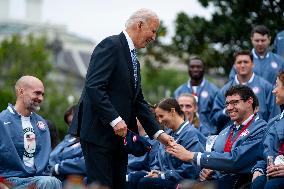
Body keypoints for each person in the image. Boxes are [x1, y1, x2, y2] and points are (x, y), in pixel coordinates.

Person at [68, 9, 173, 189]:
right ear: (140, 25)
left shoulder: (134, 60)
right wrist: (115, 120)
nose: (154, 37)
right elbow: (94, 86)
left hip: (119, 138)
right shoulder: (110, 45)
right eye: (153, 31)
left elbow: (138, 101)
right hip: (98, 135)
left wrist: (159, 134)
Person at [167, 85, 267, 189]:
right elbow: (215, 156)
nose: (229, 108)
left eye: (234, 102)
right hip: (219, 181)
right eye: (227, 104)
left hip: (241, 182)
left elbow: (235, 161)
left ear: (249, 102)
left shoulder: (261, 129)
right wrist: (211, 170)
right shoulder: (226, 131)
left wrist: (192, 156)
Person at [127, 98, 206, 189]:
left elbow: (191, 169)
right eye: (158, 117)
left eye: (161, 116)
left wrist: (163, 176)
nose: (160, 121)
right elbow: (158, 160)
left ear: (172, 111)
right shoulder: (167, 135)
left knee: (145, 182)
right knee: (135, 177)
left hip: (185, 182)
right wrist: (156, 171)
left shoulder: (190, 134)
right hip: (168, 178)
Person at [0, 75, 61, 189]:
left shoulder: (42, 124)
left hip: (39, 179)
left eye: (42, 94)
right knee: (49, 182)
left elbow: (46, 162)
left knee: (54, 181)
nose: (41, 98)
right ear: (21, 92)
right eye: (37, 93)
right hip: (9, 181)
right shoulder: (2, 121)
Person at [212, 50, 280, 132]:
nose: (242, 65)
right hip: (232, 139)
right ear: (234, 65)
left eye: (246, 62)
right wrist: (228, 110)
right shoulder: (224, 90)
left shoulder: (266, 87)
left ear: (253, 64)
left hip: (260, 137)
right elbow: (214, 118)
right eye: (239, 62)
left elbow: (275, 115)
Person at [251, 70, 284, 189]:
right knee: (258, 182)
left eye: (277, 85)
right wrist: (258, 169)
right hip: (271, 173)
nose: (274, 91)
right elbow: (262, 153)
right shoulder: (273, 122)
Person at [174, 56, 219, 134]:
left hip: (208, 134)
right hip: (184, 134)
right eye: (192, 67)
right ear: (188, 69)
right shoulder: (179, 91)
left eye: (198, 67)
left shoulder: (214, 90)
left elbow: (217, 115)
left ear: (204, 69)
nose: (195, 69)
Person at [48, 105, 86, 181]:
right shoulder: (68, 138)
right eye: (69, 123)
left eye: (74, 122)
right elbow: (51, 157)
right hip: (53, 178)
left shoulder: (91, 141)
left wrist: (57, 168)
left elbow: (85, 163)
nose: (72, 127)